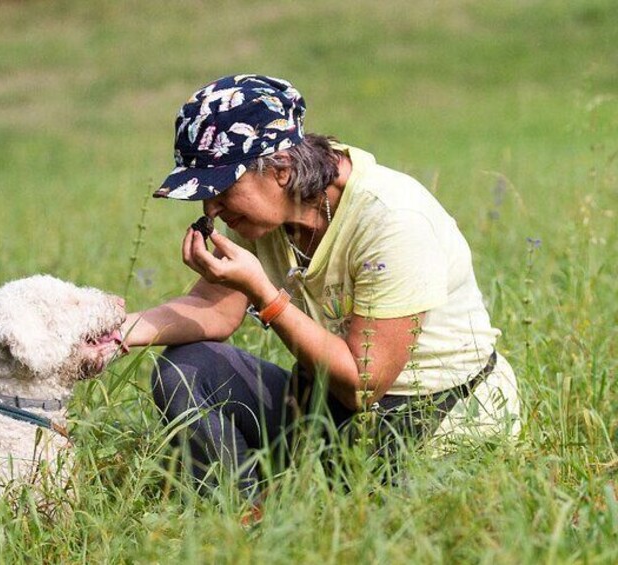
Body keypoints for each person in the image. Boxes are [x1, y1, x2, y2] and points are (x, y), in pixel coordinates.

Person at [121, 74, 521, 498]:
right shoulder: (267, 216)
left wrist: (266, 295)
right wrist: (115, 332)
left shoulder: (392, 219)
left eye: (221, 188)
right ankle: (242, 521)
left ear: (281, 169)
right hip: (327, 402)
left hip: (430, 409)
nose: (211, 209)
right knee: (184, 369)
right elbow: (215, 309)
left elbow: (364, 385)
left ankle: (311, 494)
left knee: (379, 514)